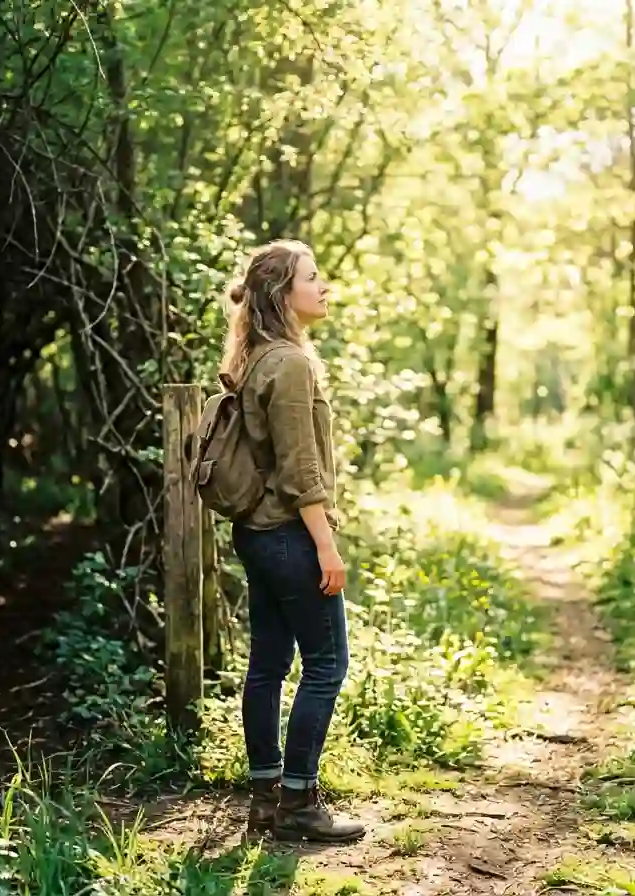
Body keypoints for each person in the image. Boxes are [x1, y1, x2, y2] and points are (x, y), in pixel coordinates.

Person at [219, 239, 365, 843]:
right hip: (289, 537)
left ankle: (264, 800)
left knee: (269, 666)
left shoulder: (256, 357)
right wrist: (326, 546)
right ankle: (299, 802)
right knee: (327, 664)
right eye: (313, 277)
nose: (324, 285)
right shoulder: (291, 363)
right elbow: (301, 470)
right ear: (285, 293)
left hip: (258, 535)